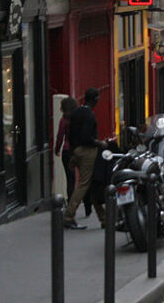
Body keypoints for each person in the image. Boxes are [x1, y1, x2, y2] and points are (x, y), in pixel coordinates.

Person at [64, 88, 107, 229]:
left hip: (76, 150)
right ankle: (69, 215)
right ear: (94, 99)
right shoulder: (89, 116)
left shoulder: (76, 112)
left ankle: (104, 218)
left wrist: (73, 154)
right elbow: (86, 137)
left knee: (90, 182)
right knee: (84, 184)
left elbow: (69, 134)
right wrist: (99, 142)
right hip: (87, 151)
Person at [54, 97, 79, 202]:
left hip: (67, 151)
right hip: (77, 150)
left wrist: (57, 149)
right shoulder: (78, 119)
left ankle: (70, 201)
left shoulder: (63, 120)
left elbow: (60, 137)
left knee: (70, 178)